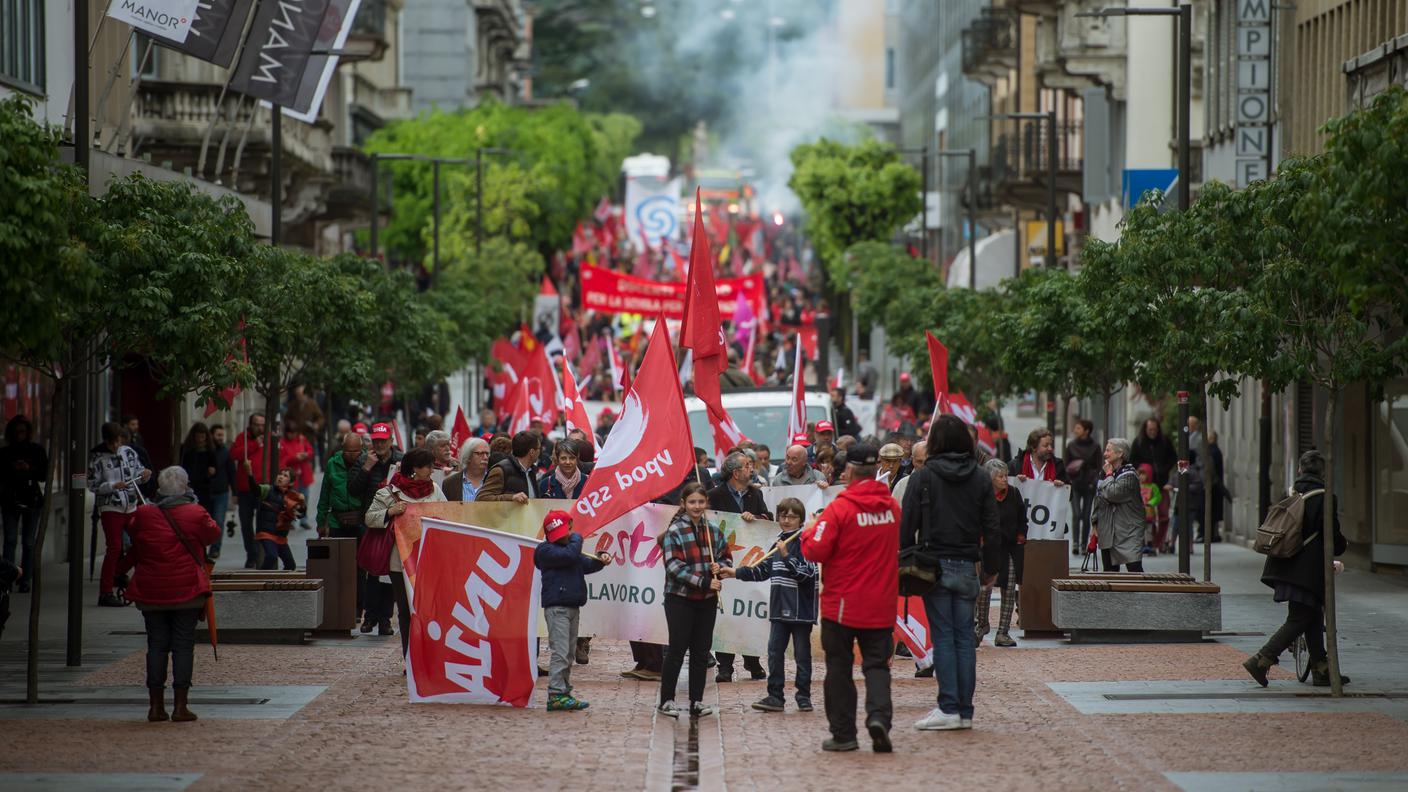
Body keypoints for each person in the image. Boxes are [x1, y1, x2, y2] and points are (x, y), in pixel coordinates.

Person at [901, 416, 1001, 733]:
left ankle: (948, 707)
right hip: (968, 564)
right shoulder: (981, 477)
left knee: (943, 638)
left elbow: (907, 525)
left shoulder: (924, 476)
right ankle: (965, 709)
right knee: (963, 640)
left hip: (934, 565)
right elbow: (993, 528)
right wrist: (991, 569)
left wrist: (906, 560)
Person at [800, 443, 899, 752]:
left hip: (842, 605)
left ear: (852, 472)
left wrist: (809, 529)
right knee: (877, 666)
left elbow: (814, 549)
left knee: (839, 669)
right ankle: (879, 718)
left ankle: (844, 734)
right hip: (881, 603)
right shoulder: (892, 508)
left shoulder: (839, 509)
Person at [1243, 450, 1350, 689]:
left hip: (1284, 563)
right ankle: (1261, 660)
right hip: (1306, 571)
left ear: (1300, 470)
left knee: (1310, 615)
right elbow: (1330, 535)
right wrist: (1343, 546)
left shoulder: (1290, 493)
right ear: (1323, 472)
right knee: (1300, 617)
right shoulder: (1325, 497)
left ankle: (1321, 668)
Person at [124, 466, 220, 723]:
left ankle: (155, 707)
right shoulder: (196, 512)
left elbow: (134, 535)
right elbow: (213, 534)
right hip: (186, 589)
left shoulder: (145, 513)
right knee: (182, 646)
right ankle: (180, 706)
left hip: (152, 590)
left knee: (156, 646)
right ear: (186, 487)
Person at [719, 497, 818, 713]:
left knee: (802, 655)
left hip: (801, 611)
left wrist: (787, 556)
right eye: (783, 515)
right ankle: (775, 696)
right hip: (779, 609)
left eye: (792, 516)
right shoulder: (778, 542)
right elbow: (761, 571)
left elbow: (807, 574)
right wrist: (734, 573)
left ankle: (804, 697)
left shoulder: (806, 541)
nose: (787, 520)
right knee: (774, 653)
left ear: (800, 520)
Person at [656, 482, 731, 719]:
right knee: (677, 649)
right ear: (683, 504)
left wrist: (722, 568)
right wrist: (704, 581)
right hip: (680, 599)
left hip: (707, 600)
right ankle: (667, 700)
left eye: (700, 502)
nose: (697, 506)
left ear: (706, 503)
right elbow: (674, 567)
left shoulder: (714, 532)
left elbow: (726, 556)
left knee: (701, 651)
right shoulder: (675, 531)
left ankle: (696, 701)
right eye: (692, 502)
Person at [365, 448, 446, 651]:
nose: (431, 470)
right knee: (405, 610)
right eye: (427, 466)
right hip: (399, 561)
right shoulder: (389, 492)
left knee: (428, 609)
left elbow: (447, 514)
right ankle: (410, 656)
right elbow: (369, 518)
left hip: (428, 559)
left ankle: (428, 655)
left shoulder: (434, 489)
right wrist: (390, 511)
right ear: (414, 469)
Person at [535, 510, 610, 711]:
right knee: (560, 652)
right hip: (557, 608)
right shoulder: (545, 551)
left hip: (572, 605)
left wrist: (600, 559)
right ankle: (556, 693)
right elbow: (570, 555)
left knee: (567, 652)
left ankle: (564, 691)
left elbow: (587, 564)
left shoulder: (570, 550)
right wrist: (577, 537)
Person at [707, 451, 771, 681]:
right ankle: (725, 666)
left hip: (748, 563)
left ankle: (752, 661)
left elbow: (768, 518)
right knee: (726, 613)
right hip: (724, 561)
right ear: (735, 472)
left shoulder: (756, 493)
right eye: (746, 466)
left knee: (748, 609)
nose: (751, 470)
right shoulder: (714, 495)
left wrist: (758, 517)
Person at [89, 422, 151, 606]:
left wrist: (144, 474)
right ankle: (105, 591)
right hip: (111, 507)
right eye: (112, 443)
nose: (116, 446)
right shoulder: (97, 458)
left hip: (131, 504)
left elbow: (137, 471)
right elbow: (93, 485)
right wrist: (111, 486)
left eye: (118, 441)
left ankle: (118, 572)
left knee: (141, 541)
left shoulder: (128, 452)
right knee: (115, 547)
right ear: (106, 441)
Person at [975, 458, 1025, 648]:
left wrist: (1021, 536)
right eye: (1000, 476)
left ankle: (1003, 632)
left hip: (1010, 547)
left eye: (1006, 475)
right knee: (984, 589)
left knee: (1009, 589)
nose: (1005, 479)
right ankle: (982, 625)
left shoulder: (1013, 493)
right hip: (987, 548)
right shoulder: (981, 495)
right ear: (990, 479)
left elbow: (1022, 517)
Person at [0, 415, 46, 593]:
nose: (20, 435)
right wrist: (13, 468)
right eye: (17, 431)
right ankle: (8, 577)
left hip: (31, 498)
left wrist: (29, 469)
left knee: (28, 542)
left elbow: (43, 474)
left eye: (23, 431)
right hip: (10, 499)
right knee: (10, 540)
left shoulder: (36, 450)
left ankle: (25, 578)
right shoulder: (5, 452)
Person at [1093, 438, 1145, 573]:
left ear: (1120, 454)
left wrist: (1109, 475)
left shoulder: (1129, 475)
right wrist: (1094, 523)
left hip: (1128, 531)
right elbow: (1098, 498)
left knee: (1134, 570)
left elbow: (1113, 494)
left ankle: (1141, 595)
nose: (1105, 454)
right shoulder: (1104, 473)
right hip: (1107, 531)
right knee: (1110, 572)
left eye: (1108, 450)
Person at [229, 413, 269, 568]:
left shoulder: (269, 439)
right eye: (257, 424)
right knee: (246, 524)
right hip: (245, 489)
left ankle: (260, 553)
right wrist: (253, 445)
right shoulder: (242, 438)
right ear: (250, 425)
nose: (260, 428)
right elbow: (233, 454)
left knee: (262, 523)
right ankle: (251, 554)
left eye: (262, 425)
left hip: (262, 489)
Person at [1129, 418, 1176, 547]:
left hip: (1161, 483)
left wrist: (1164, 469)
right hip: (1145, 485)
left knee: (1163, 514)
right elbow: (1132, 460)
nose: (1152, 432)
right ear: (1145, 429)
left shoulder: (1164, 441)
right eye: (1150, 429)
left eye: (1154, 429)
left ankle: (1159, 542)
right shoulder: (1138, 442)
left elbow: (1173, 458)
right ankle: (1149, 540)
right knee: (1147, 514)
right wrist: (1142, 470)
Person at [1064, 418, 1102, 557]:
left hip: (1089, 484)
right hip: (1075, 484)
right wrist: (1068, 482)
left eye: (1078, 428)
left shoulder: (1096, 446)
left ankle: (1083, 544)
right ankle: (1075, 543)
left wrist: (1095, 481)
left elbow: (1099, 467)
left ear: (1086, 431)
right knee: (1076, 514)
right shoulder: (1071, 445)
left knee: (1086, 515)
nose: (1075, 430)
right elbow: (1066, 465)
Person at [255, 468, 303, 571]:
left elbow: (300, 515)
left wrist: (302, 504)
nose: (281, 476)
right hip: (266, 532)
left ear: (291, 483)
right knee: (271, 556)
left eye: (285, 476)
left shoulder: (292, 496)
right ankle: (261, 578)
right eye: (280, 474)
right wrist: (250, 474)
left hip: (280, 536)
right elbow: (254, 489)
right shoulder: (268, 490)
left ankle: (281, 585)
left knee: (290, 565)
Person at [477, 431, 540, 503]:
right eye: (539, 448)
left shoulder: (532, 472)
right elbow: (482, 497)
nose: (539, 452)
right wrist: (511, 497)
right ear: (532, 452)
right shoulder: (501, 470)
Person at [278, 421, 315, 531]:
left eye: (294, 432)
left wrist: (306, 455)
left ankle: (303, 519)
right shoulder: (282, 443)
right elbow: (282, 460)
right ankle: (290, 520)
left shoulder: (302, 439)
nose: (292, 435)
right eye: (290, 433)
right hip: (291, 475)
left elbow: (310, 450)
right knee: (290, 499)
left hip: (303, 474)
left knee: (305, 497)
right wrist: (295, 458)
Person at [204, 424, 232, 559]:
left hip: (221, 492)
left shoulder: (226, 452)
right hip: (206, 492)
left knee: (219, 521)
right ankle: (202, 547)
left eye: (222, 435)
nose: (221, 438)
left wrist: (235, 493)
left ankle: (215, 549)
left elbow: (231, 471)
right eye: (218, 435)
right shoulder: (205, 452)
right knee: (203, 523)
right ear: (211, 435)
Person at [442, 438, 491, 502]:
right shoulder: (450, 483)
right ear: (468, 456)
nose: (485, 457)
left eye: (487, 454)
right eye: (480, 453)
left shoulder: (494, 480)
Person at [889, 440, 928, 507]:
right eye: (919, 461)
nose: (923, 466)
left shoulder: (939, 484)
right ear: (913, 460)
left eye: (926, 462)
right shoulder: (901, 485)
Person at [1138, 464, 1163, 555]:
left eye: (1143, 474)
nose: (1141, 476)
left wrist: (1151, 503)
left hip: (1149, 513)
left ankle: (1149, 545)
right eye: (1139, 474)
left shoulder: (1153, 486)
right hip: (1138, 513)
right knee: (1140, 530)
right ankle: (1141, 545)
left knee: (1148, 530)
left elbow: (1158, 497)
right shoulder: (1137, 486)